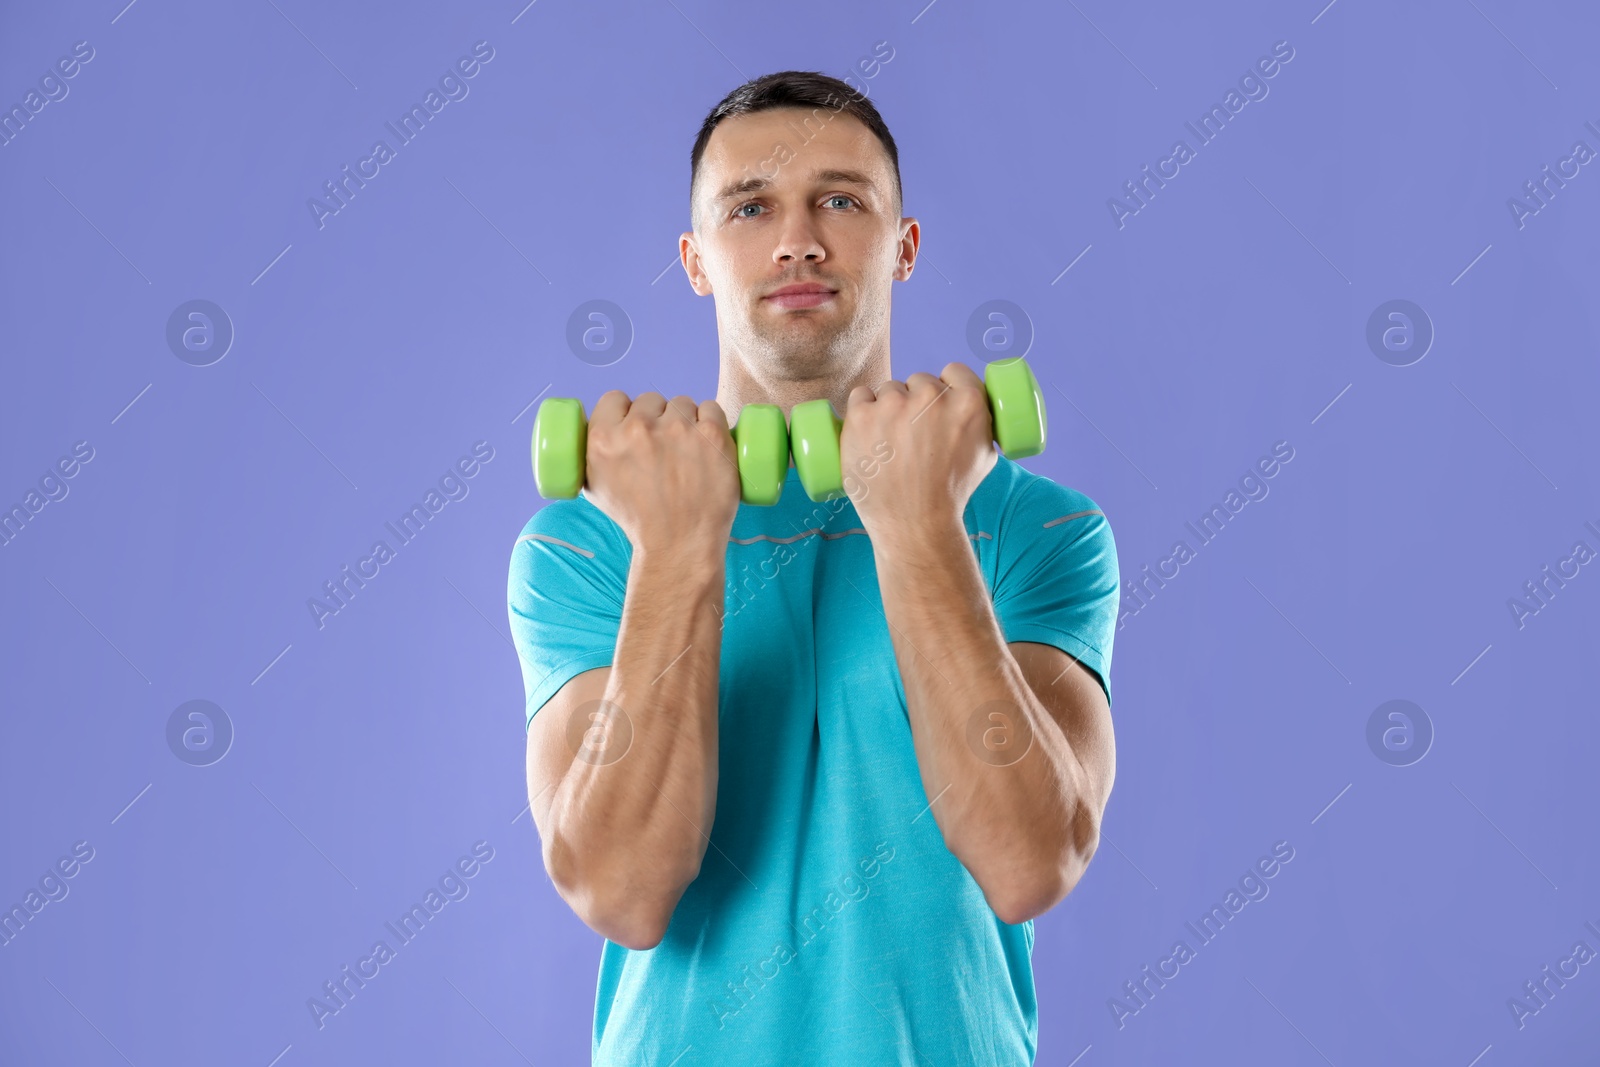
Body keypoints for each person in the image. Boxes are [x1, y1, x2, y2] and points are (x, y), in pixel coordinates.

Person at [507, 70, 1120, 1065]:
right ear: (696, 260)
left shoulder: (1038, 529)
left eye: (840, 199)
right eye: (749, 208)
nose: (796, 238)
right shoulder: (586, 544)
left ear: (903, 246)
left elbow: (1027, 862)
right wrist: (673, 549)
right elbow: (620, 889)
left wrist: (921, 522)